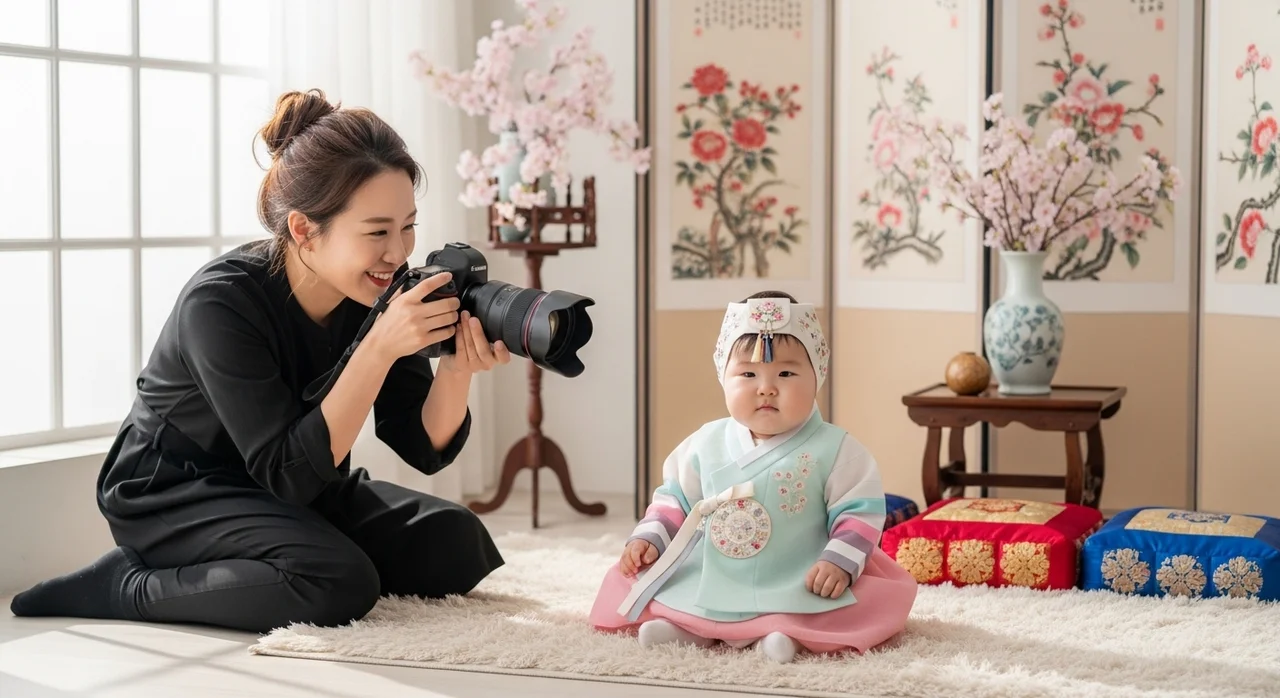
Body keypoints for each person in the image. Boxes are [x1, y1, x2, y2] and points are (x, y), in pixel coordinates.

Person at [10, 89, 510, 633]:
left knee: (458, 544)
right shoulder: (221, 302)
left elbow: (420, 444)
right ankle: (128, 584)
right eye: (376, 232)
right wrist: (379, 347)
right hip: (177, 491)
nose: (398, 252)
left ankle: (271, 563)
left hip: (297, 485)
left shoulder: (379, 292)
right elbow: (286, 473)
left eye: (407, 226)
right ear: (302, 230)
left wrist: (455, 368)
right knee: (338, 584)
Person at [589, 292, 917, 663]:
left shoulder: (838, 449)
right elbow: (674, 499)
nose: (766, 388)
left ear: (817, 375)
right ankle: (686, 628)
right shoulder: (705, 442)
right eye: (747, 374)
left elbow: (858, 514)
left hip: (796, 570)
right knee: (640, 581)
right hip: (712, 566)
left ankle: (783, 635)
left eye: (786, 373)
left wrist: (838, 562)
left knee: (840, 604)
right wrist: (650, 539)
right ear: (723, 376)